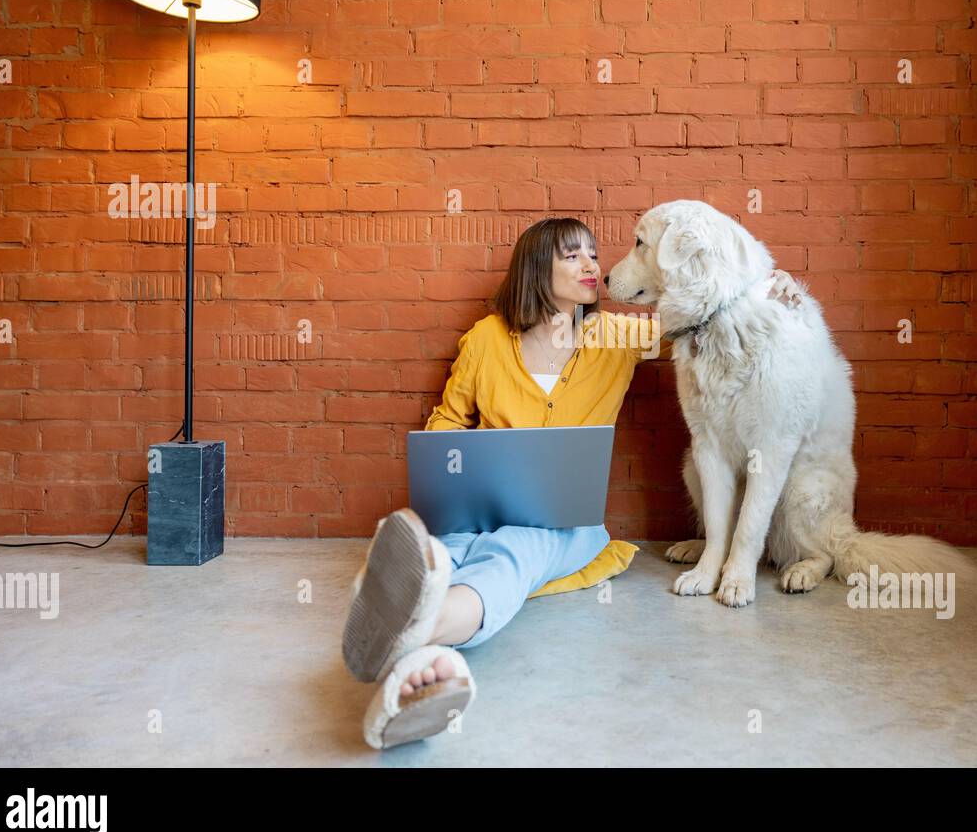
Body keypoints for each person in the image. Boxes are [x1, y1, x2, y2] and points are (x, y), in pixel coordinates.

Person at [340, 216, 805, 750]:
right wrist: (449, 475)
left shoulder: (617, 335)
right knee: (444, 553)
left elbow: (707, 313)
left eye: (593, 254)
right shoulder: (487, 340)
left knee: (511, 555)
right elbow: (448, 422)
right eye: (573, 256)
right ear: (538, 268)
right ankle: (419, 675)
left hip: (561, 524)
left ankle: (403, 628)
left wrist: (770, 288)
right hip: (477, 510)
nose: (593, 266)